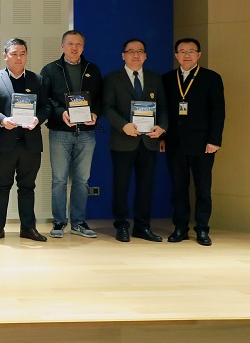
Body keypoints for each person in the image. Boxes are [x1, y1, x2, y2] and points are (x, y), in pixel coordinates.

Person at [0, 38, 51, 242]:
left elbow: (47, 106)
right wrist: (2, 120)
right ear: (5, 56)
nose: (19, 58)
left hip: (30, 143)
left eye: (22, 53)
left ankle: (28, 228)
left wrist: (37, 119)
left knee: (27, 187)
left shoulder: (37, 80)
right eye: (14, 54)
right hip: (5, 143)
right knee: (1, 186)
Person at [102, 38, 168, 243]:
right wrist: (123, 125)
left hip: (149, 141)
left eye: (140, 51)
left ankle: (142, 226)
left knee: (146, 187)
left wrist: (162, 127)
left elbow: (163, 107)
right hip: (123, 141)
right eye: (131, 51)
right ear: (123, 56)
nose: (135, 55)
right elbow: (107, 108)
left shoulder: (155, 78)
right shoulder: (112, 78)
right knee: (121, 186)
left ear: (146, 56)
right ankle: (121, 225)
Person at [40, 30, 103, 239]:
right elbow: (45, 100)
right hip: (60, 132)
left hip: (86, 133)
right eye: (70, 44)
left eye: (78, 44)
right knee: (59, 180)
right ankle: (59, 222)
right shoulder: (50, 70)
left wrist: (95, 113)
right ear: (62, 46)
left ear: (83, 47)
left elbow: (101, 99)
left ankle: (78, 222)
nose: (74, 48)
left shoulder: (92, 69)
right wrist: (61, 113)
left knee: (82, 180)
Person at [162, 38, 225, 246]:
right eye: (182, 51)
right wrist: (162, 138)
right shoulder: (167, 78)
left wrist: (214, 140)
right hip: (175, 142)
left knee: (203, 188)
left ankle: (202, 229)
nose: (186, 55)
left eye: (191, 51)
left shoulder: (211, 78)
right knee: (178, 188)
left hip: (203, 143)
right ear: (176, 55)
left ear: (199, 54)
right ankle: (180, 227)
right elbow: (163, 111)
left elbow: (218, 112)